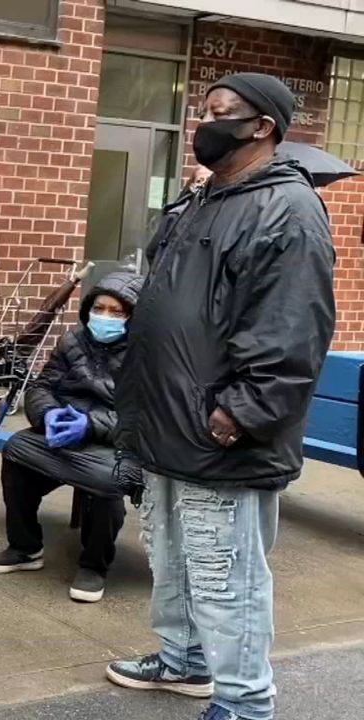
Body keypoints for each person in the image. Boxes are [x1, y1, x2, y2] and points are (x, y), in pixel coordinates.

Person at [107, 73, 336, 720]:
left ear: (262, 126)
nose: (199, 126)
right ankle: (184, 660)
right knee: (173, 556)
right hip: (166, 421)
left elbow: (294, 328)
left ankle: (244, 701)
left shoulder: (287, 210)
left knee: (225, 573)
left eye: (217, 114)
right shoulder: (207, 198)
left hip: (221, 432)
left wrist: (241, 412)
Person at [0, 271, 143, 604]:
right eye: (100, 308)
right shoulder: (73, 340)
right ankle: (25, 548)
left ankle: (94, 565)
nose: (105, 317)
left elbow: (144, 417)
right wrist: (48, 414)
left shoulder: (148, 355)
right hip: (65, 430)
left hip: (112, 442)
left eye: (116, 312)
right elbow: (41, 387)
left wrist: (90, 425)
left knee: (105, 481)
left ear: (133, 317)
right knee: (17, 450)